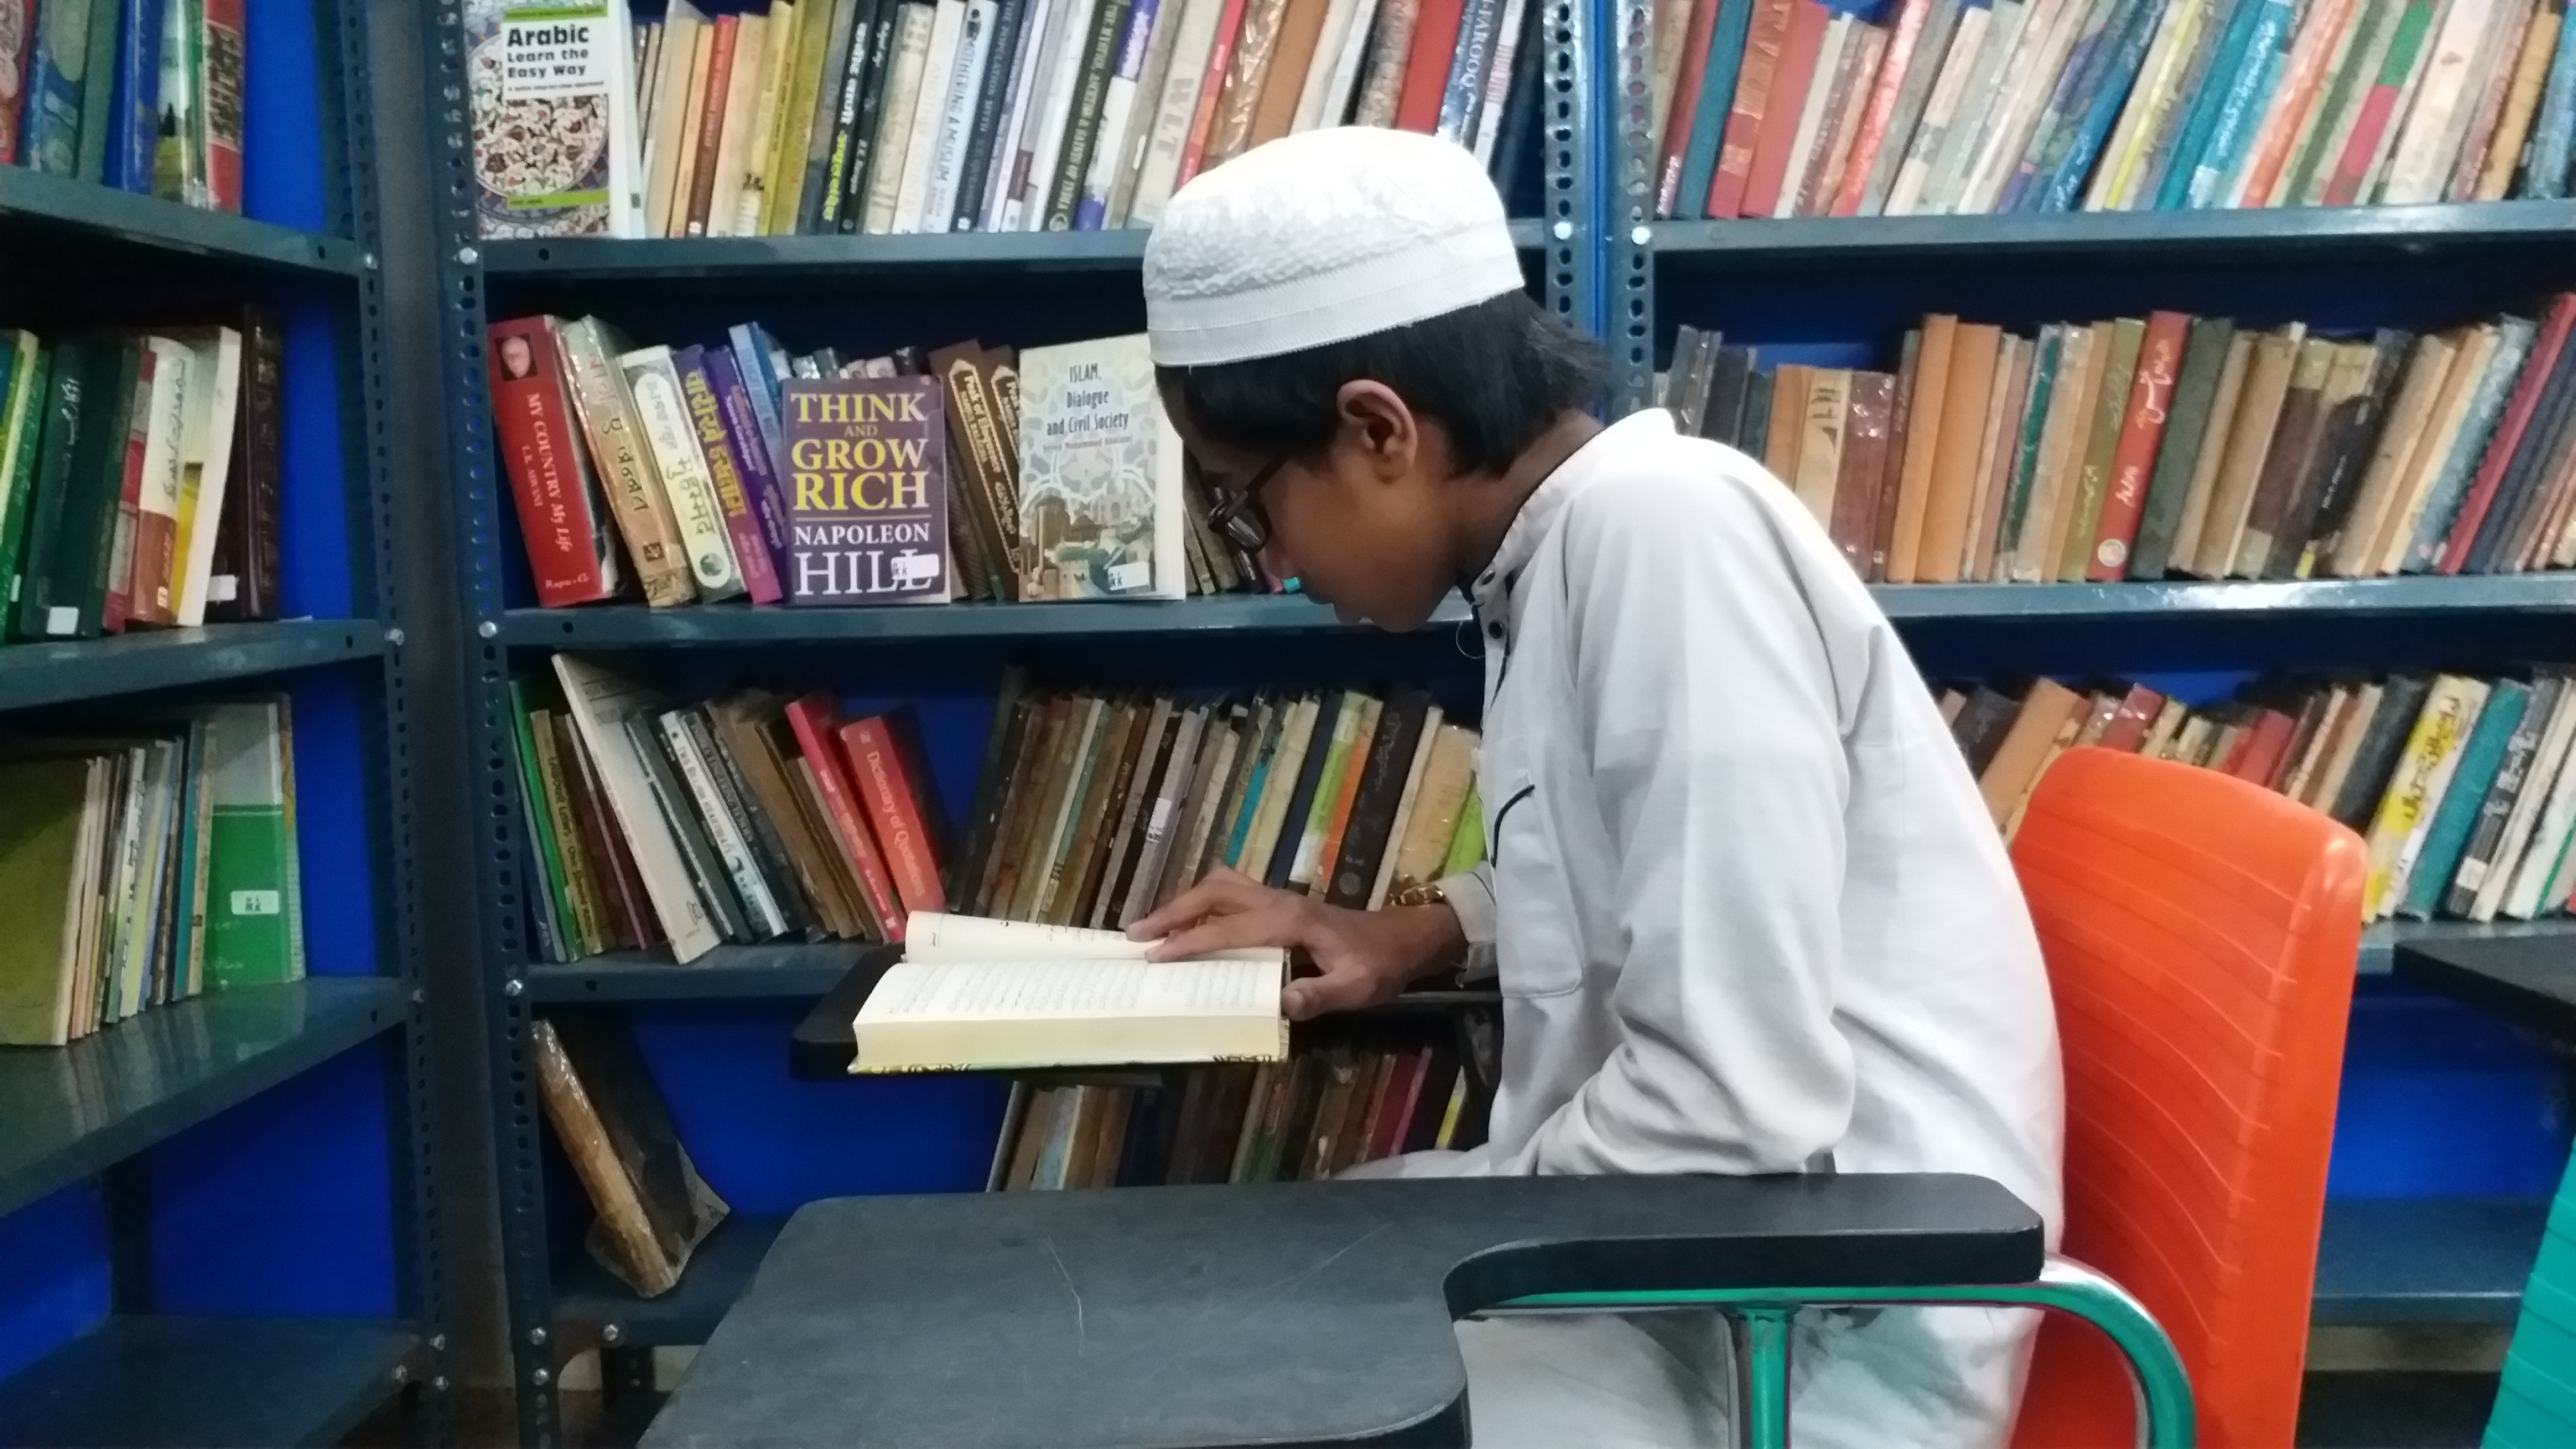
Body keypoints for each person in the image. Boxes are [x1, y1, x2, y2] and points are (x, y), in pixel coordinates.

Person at [1125, 126, 2064, 1448]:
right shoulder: (1559, 551)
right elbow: (1636, 861)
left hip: (1815, 1327)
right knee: (1266, 1270)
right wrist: (1413, 935)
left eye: (1249, 505)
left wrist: (1465, 1214)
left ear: (1379, 429)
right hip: (1706, 1264)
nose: (1271, 558)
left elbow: (1736, 1097)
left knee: (1263, 1359)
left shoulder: (1665, 534)